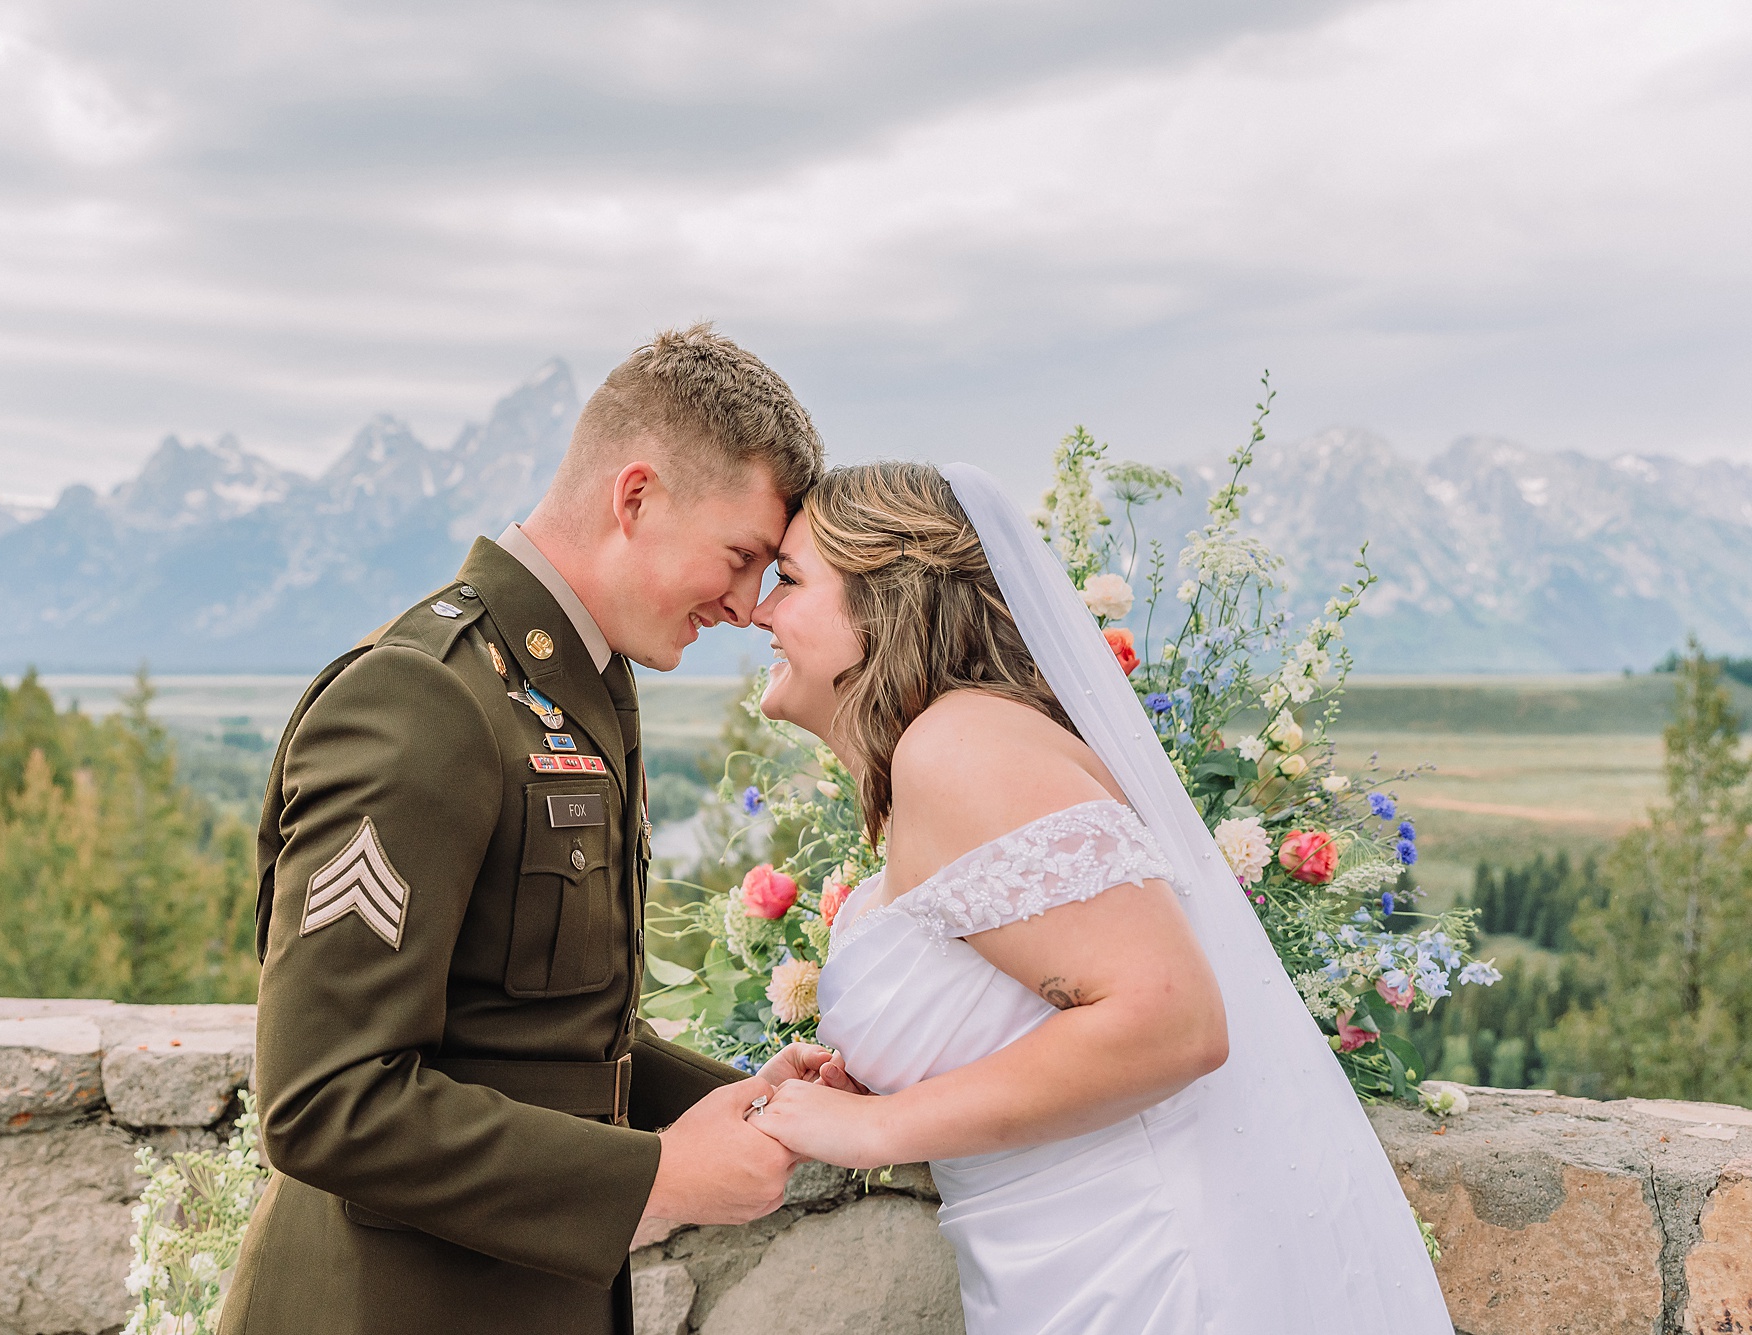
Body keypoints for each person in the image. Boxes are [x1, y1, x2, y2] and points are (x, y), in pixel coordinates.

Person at [219, 324, 839, 1335]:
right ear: (635, 497)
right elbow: (323, 1101)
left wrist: (759, 1106)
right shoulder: (422, 700)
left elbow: (554, 1040)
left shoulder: (581, 690)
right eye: (740, 558)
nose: (742, 604)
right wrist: (658, 1177)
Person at [743, 462, 1453, 1333]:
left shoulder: (957, 745)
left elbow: (1172, 1022)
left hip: (1139, 1269)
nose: (755, 610)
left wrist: (874, 1133)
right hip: (1057, 1265)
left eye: (787, 578)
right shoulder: (959, 749)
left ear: (887, 597)